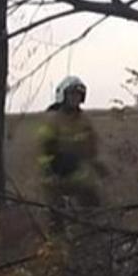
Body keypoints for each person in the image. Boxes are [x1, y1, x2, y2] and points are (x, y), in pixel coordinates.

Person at [36, 75, 105, 228]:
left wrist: (98, 165)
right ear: (63, 96)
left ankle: (91, 231)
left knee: (92, 197)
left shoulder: (84, 120)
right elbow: (43, 149)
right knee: (56, 214)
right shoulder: (52, 120)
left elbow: (92, 147)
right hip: (54, 174)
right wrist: (51, 169)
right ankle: (56, 241)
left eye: (79, 95)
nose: (76, 98)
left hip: (78, 170)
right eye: (72, 94)